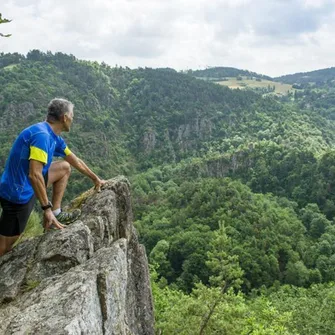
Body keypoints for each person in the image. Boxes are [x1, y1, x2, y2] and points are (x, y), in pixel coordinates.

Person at [0, 98, 106, 256]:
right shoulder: (42, 136)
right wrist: (46, 209)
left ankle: (57, 213)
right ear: (64, 117)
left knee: (64, 167)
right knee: (5, 246)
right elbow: (34, 174)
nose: (73, 119)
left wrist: (95, 178)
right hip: (17, 193)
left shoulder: (53, 137)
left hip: (28, 185)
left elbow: (75, 161)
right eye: (72, 115)